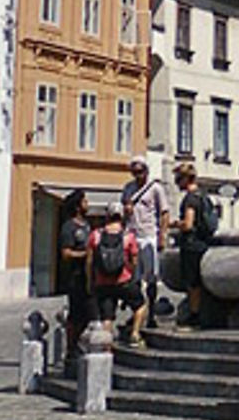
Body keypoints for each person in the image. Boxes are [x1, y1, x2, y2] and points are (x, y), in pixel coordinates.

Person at [86, 200, 147, 347]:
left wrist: (90, 281)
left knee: (107, 316)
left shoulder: (96, 235)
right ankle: (135, 334)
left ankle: (106, 346)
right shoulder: (128, 236)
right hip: (123, 281)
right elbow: (134, 260)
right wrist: (131, 274)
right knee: (141, 305)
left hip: (102, 282)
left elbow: (89, 261)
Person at [121, 156, 170, 329]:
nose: (137, 175)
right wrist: (126, 212)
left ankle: (150, 314)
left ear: (146, 171)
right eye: (134, 172)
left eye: (140, 171)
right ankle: (136, 313)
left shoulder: (156, 188)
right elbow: (124, 213)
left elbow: (164, 212)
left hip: (149, 235)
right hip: (132, 235)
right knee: (133, 278)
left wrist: (162, 236)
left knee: (151, 278)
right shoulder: (128, 189)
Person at [171, 162, 210, 327]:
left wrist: (175, 224)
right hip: (203, 243)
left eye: (179, 178)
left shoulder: (190, 199)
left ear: (187, 179)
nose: (176, 182)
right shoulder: (203, 196)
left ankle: (194, 316)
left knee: (193, 282)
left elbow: (188, 224)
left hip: (192, 245)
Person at [58, 189, 90, 367]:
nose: (88, 205)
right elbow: (66, 253)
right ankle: (70, 348)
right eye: (85, 202)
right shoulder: (69, 227)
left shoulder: (86, 225)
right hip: (75, 276)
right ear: (78, 206)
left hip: (88, 276)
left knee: (87, 313)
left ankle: (77, 343)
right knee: (75, 314)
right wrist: (85, 254)